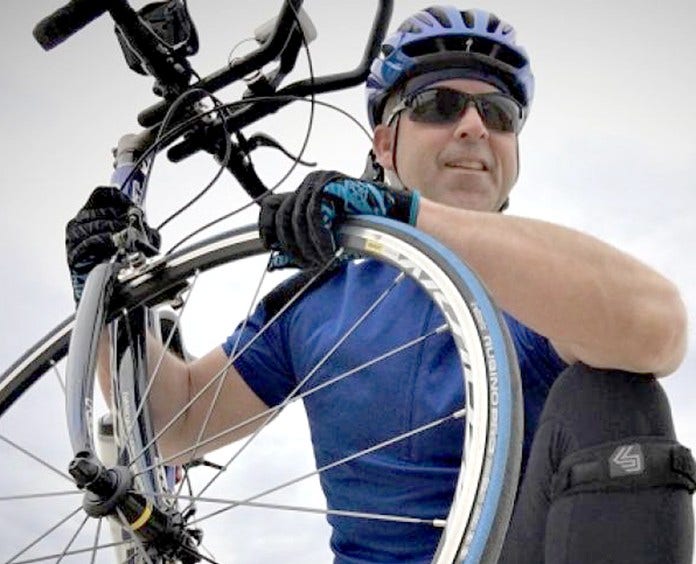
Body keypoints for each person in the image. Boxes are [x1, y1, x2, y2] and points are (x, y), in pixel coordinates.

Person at [65, 6, 695, 563]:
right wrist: (101, 305)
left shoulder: (548, 283)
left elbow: (659, 330)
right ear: (385, 141)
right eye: (439, 106)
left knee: (617, 396)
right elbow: (173, 424)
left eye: (498, 114)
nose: (474, 126)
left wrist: (402, 215)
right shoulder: (319, 300)